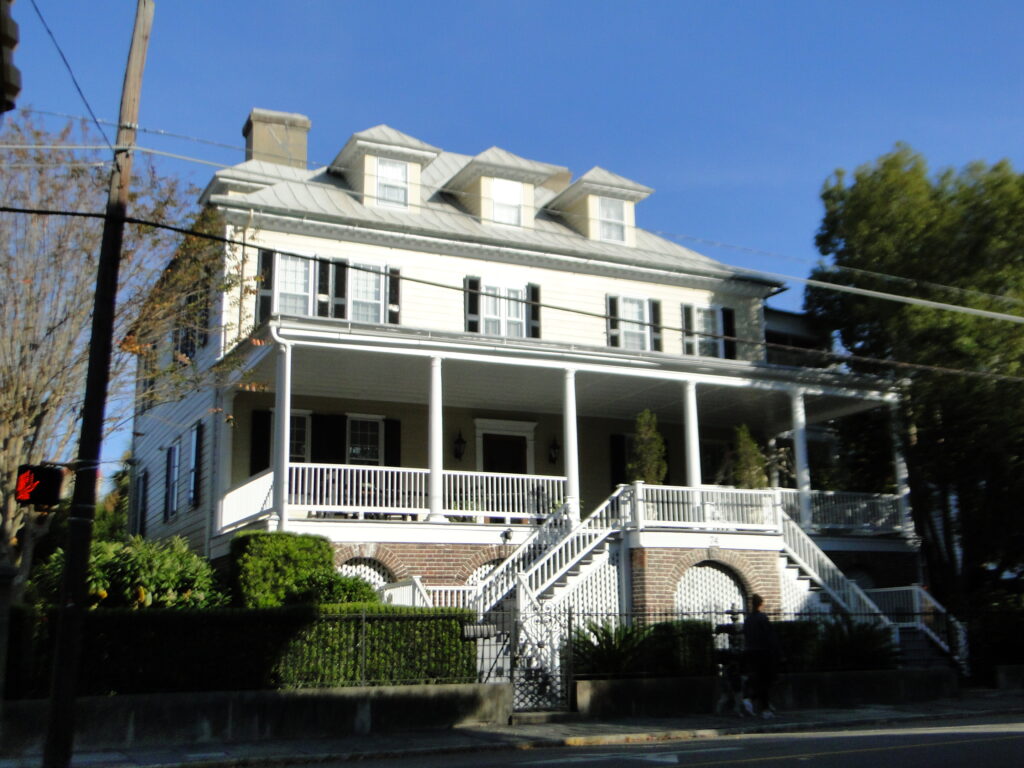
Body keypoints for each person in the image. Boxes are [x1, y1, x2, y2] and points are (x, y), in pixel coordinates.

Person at [742, 593, 780, 718]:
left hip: (751, 652)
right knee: (766, 681)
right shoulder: (762, 618)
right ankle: (764, 708)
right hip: (763, 653)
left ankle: (752, 701)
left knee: (757, 680)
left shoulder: (748, 619)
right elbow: (770, 636)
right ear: (761, 604)